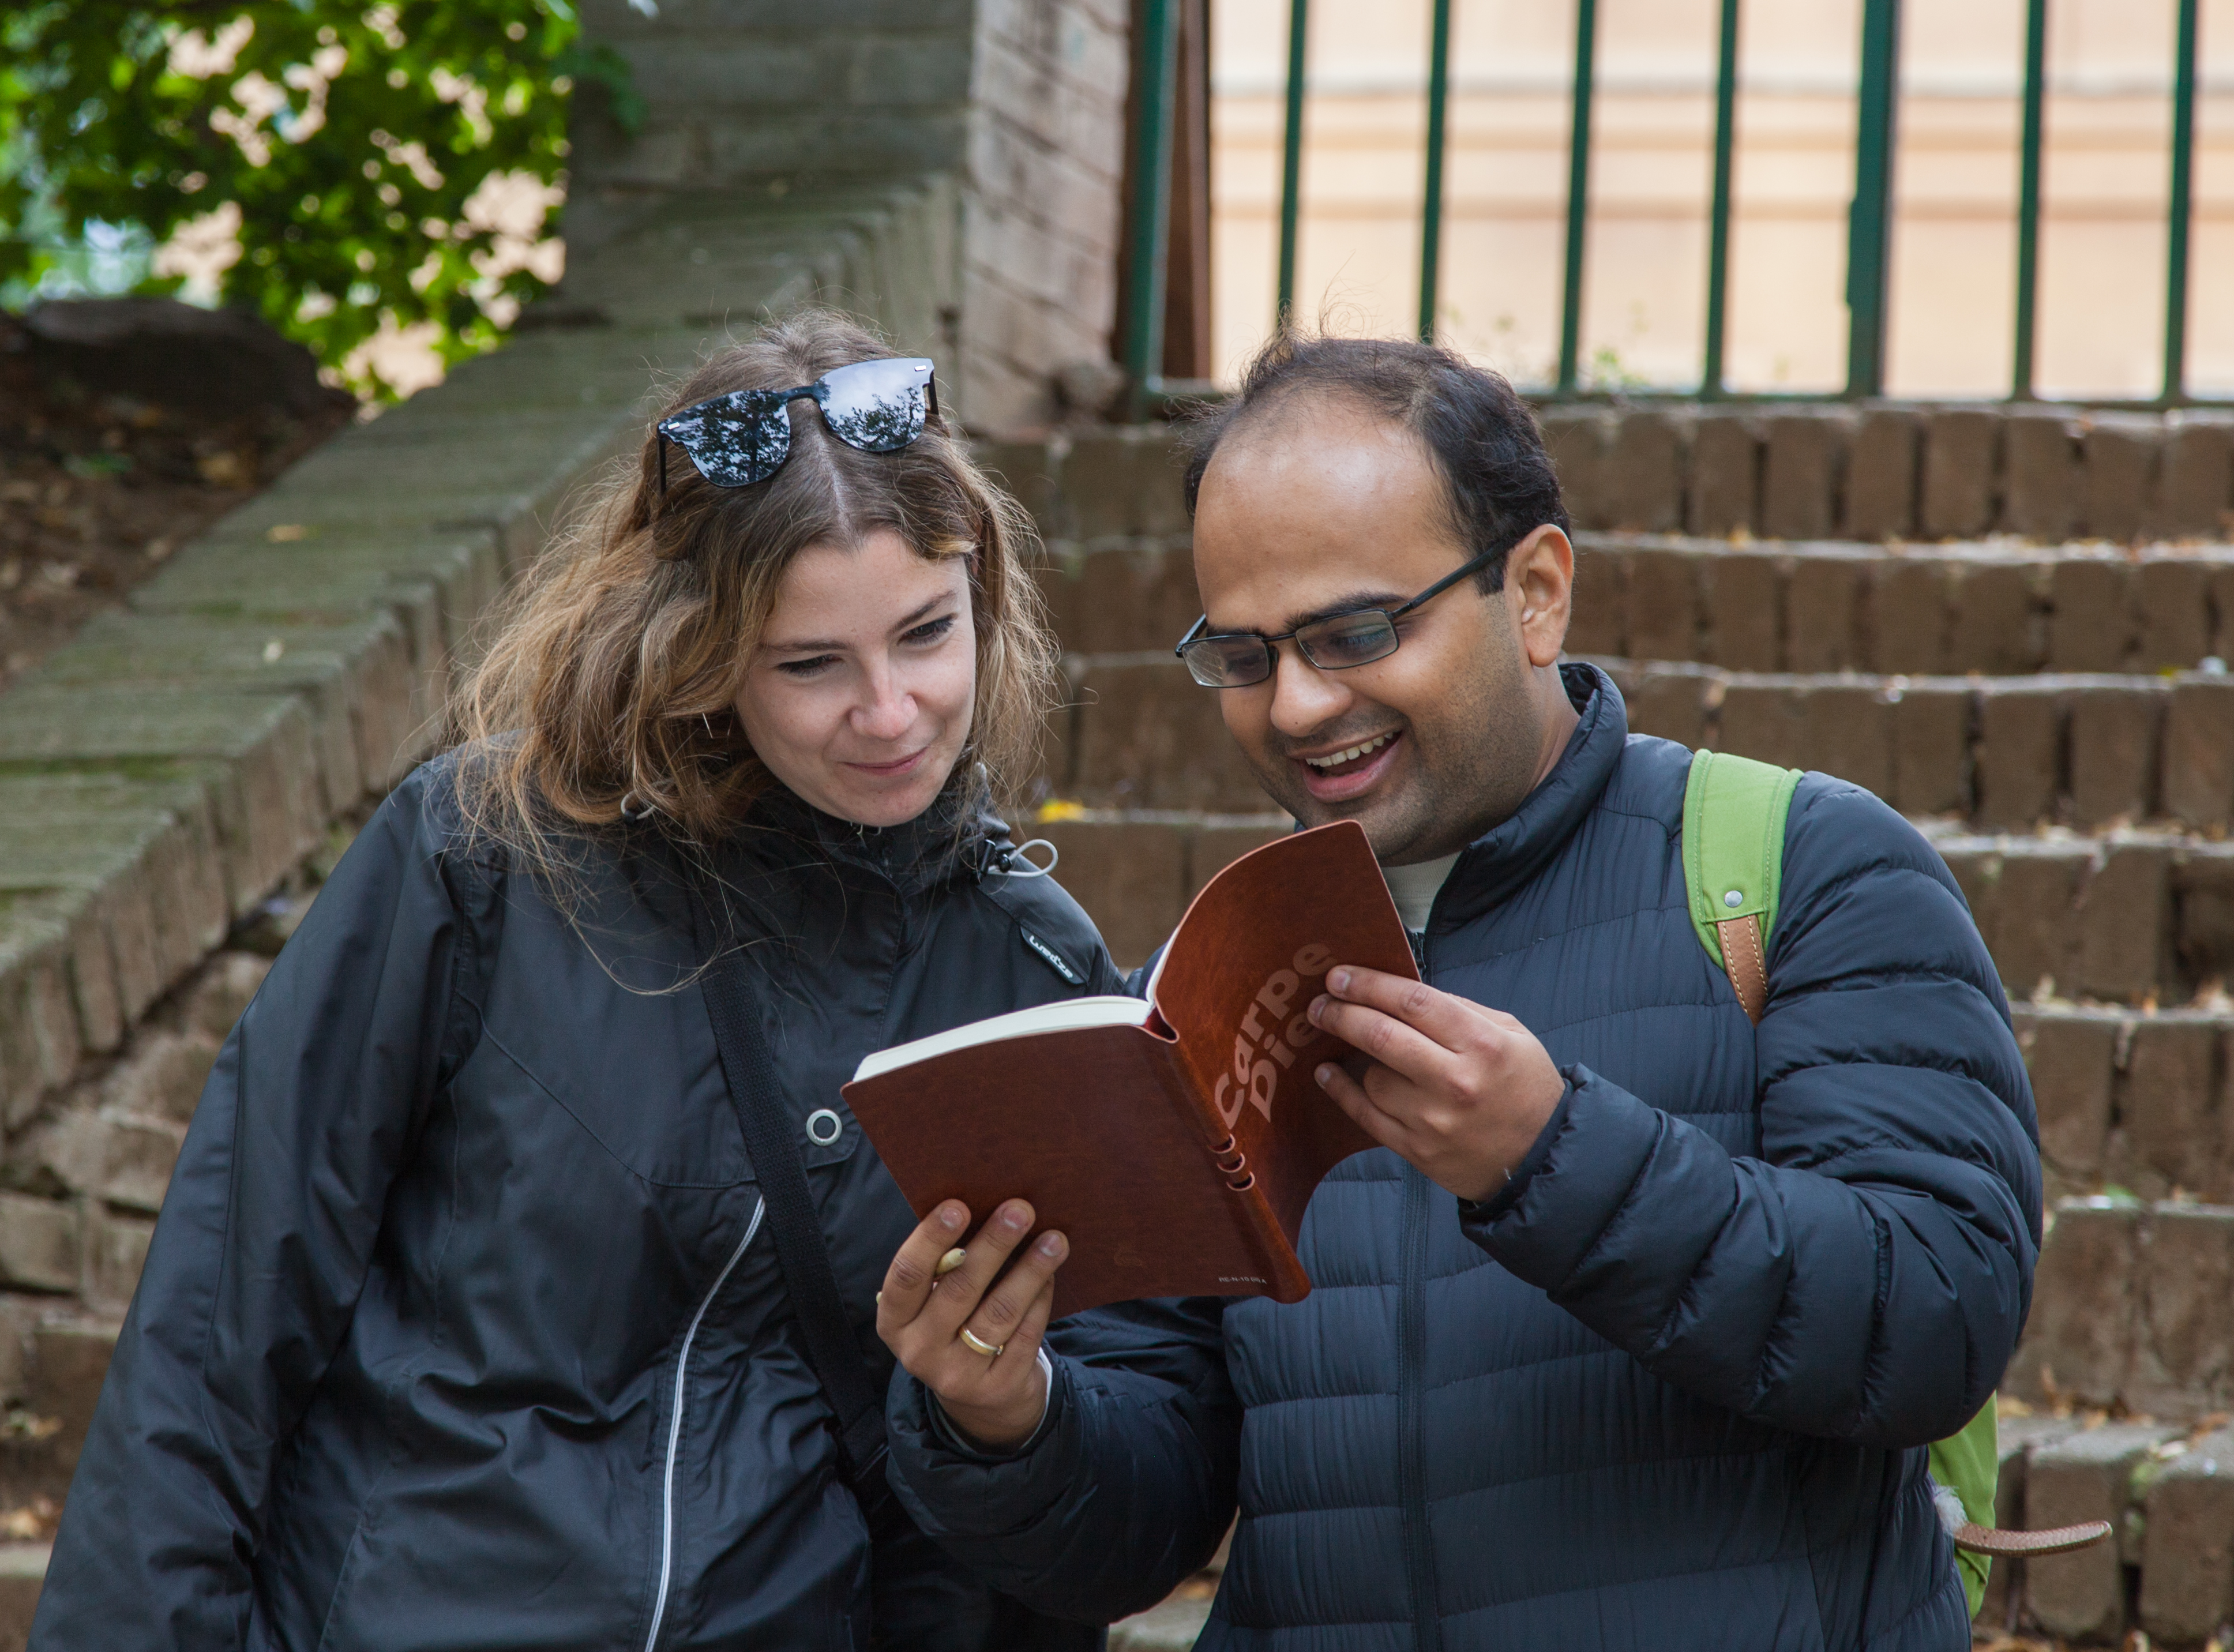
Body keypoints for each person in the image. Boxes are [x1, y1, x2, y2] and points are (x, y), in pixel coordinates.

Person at [874, 333, 2042, 1650]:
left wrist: (1551, 1157)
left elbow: (1936, 1317)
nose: (1301, 703)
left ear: (1534, 591)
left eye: (1356, 631)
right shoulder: (1215, 984)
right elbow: (1139, 1530)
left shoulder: (1803, 870)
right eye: (1244, 656)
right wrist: (1006, 1417)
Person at [31, 312, 1121, 1651]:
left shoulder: (1031, 963)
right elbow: (220, 1320)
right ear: (703, 652)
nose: (890, 712)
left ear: (984, 593)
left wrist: (1007, 1414)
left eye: (924, 634)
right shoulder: (481, 854)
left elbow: (1069, 1513)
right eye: (811, 664)